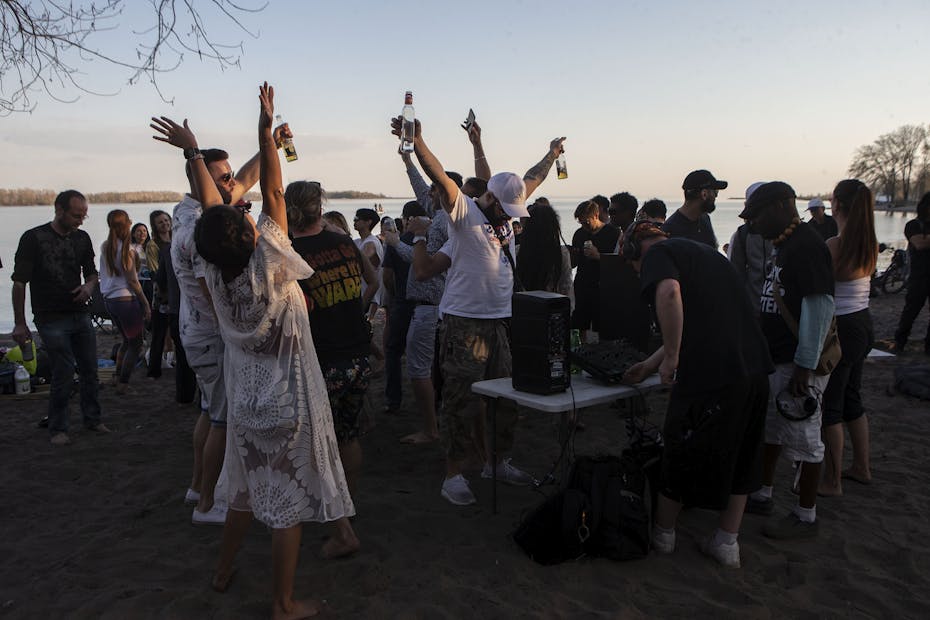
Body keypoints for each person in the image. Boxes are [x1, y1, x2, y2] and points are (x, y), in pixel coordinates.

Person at [152, 83, 355, 619]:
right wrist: (264, 130)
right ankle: (283, 603)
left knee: (242, 488)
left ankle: (221, 573)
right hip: (287, 396)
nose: (244, 212)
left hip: (245, 397)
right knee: (284, 500)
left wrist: (196, 153)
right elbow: (275, 193)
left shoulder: (212, 275)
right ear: (248, 232)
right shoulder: (271, 261)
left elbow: (218, 206)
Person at [391, 113, 562, 505]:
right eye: (506, 210)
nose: (510, 218)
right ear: (488, 198)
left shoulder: (506, 205)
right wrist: (416, 141)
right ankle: (453, 474)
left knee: (505, 398)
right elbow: (439, 177)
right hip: (464, 325)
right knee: (460, 402)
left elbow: (533, 176)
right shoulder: (464, 213)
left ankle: (497, 462)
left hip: (500, 323)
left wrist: (552, 155)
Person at [622, 221, 772, 568]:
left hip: (712, 372)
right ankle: (727, 542)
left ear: (634, 250)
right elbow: (691, 318)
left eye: (632, 267)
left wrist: (672, 358)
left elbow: (669, 294)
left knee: (678, 449)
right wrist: (648, 364)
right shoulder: (703, 254)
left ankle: (664, 534)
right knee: (744, 455)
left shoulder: (658, 254)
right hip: (754, 368)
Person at [159, 117, 282, 524]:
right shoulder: (199, 228)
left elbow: (245, 179)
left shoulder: (192, 208)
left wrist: (270, 145)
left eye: (229, 176)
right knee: (223, 420)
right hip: (212, 335)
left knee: (209, 410)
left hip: (195, 334)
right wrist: (240, 333)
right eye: (222, 178)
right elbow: (213, 297)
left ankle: (197, 485)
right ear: (202, 181)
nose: (232, 184)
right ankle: (209, 504)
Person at [286, 179, 376, 560]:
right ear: (319, 209)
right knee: (348, 435)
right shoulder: (344, 242)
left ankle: (337, 523)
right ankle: (347, 508)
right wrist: (355, 313)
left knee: (315, 444)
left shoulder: (291, 251)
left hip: (320, 358)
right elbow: (372, 281)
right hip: (356, 354)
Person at [740, 182, 835, 539]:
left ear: (783, 205)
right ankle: (763, 493)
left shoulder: (806, 246)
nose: (754, 224)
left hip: (796, 363)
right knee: (771, 429)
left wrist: (805, 364)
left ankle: (805, 515)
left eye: (759, 215)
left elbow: (819, 305)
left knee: (806, 437)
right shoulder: (785, 244)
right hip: (776, 357)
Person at [11, 190, 110, 445]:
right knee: (63, 370)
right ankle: (58, 428)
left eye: (84, 215)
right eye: (76, 215)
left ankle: (93, 419)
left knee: (90, 369)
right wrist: (20, 322)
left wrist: (89, 288)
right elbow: (19, 283)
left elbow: (91, 273)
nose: (80, 220)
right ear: (59, 210)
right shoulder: (33, 238)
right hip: (49, 315)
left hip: (79, 313)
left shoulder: (82, 238)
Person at [819, 179, 879, 495]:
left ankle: (832, 480)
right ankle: (862, 467)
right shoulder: (867, 242)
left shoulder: (835, 245)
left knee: (832, 403)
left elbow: (820, 288)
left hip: (842, 327)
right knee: (852, 398)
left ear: (837, 204)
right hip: (864, 322)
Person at [99, 210, 152, 394]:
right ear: (127, 225)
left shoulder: (106, 246)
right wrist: (145, 303)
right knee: (136, 343)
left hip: (110, 300)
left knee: (126, 341)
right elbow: (132, 281)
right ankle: (123, 383)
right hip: (125, 300)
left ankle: (117, 376)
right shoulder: (127, 250)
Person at [381, 200, 426, 414]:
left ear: (407, 219)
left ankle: (393, 399)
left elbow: (387, 276)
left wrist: (393, 296)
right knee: (428, 354)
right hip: (427, 303)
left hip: (402, 300)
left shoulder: (396, 242)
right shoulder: (429, 240)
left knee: (393, 350)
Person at [570, 200, 620, 342]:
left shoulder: (612, 233)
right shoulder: (579, 234)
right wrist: (572, 254)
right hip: (582, 282)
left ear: (596, 215)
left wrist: (598, 256)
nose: (584, 226)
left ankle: (603, 349)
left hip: (602, 284)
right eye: (581, 223)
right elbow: (573, 264)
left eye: (586, 222)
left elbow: (617, 263)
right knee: (581, 320)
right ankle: (582, 348)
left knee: (602, 322)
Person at [728, 182, 774, 316]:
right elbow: (736, 273)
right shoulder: (742, 235)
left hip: (780, 309)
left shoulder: (786, 232)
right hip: (753, 308)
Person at [893, 192, 930, 354]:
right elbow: (919, 244)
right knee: (910, 312)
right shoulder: (913, 225)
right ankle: (900, 342)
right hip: (919, 277)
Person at [515, 201, 572, 300]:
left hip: (524, 306)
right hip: (553, 306)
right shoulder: (561, 254)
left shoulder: (517, 251)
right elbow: (566, 286)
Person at [662, 169, 726, 249]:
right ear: (704, 194)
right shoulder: (669, 231)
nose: (716, 196)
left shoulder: (705, 219)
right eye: (715, 192)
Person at [146, 209, 174, 379]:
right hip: (161, 294)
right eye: (160, 222)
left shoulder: (176, 238)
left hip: (177, 291)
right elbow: (153, 271)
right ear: (155, 226)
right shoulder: (153, 244)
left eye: (166, 220)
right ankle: (153, 369)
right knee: (159, 333)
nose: (164, 224)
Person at [354, 208, 384, 321]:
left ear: (368, 222)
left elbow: (365, 257)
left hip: (369, 297)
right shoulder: (357, 242)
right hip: (359, 293)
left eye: (357, 219)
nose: (354, 221)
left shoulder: (371, 242)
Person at [130, 222, 155, 308]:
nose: (142, 233)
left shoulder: (151, 246)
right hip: (138, 280)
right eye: (139, 231)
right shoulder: (131, 248)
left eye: (144, 231)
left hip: (150, 280)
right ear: (133, 234)